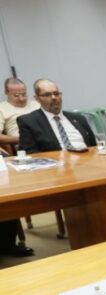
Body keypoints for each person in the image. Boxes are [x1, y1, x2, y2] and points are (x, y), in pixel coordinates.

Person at [17, 79, 106, 229]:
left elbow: (94, 145)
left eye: (56, 93)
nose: (54, 98)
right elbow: (30, 153)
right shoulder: (28, 121)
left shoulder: (78, 118)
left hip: (89, 164)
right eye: (47, 94)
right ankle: (94, 224)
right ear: (37, 98)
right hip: (58, 170)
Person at [0, 77, 39, 257]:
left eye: (24, 94)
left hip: (44, 146)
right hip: (19, 150)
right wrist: (24, 139)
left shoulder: (36, 105)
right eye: (17, 95)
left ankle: (7, 244)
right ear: (7, 93)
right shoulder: (3, 108)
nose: (22, 98)